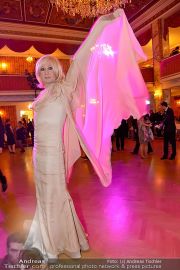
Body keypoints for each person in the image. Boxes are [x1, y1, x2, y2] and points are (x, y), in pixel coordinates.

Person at [24, 8, 149, 259]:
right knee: (44, 197)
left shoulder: (65, 88)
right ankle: (47, 237)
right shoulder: (42, 95)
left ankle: (60, 242)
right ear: (38, 75)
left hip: (53, 157)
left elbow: (82, 56)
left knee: (56, 196)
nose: (46, 73)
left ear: (57, 70)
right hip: (39, 155)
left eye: (50, 68)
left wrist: (102, 25)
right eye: (42, 70)